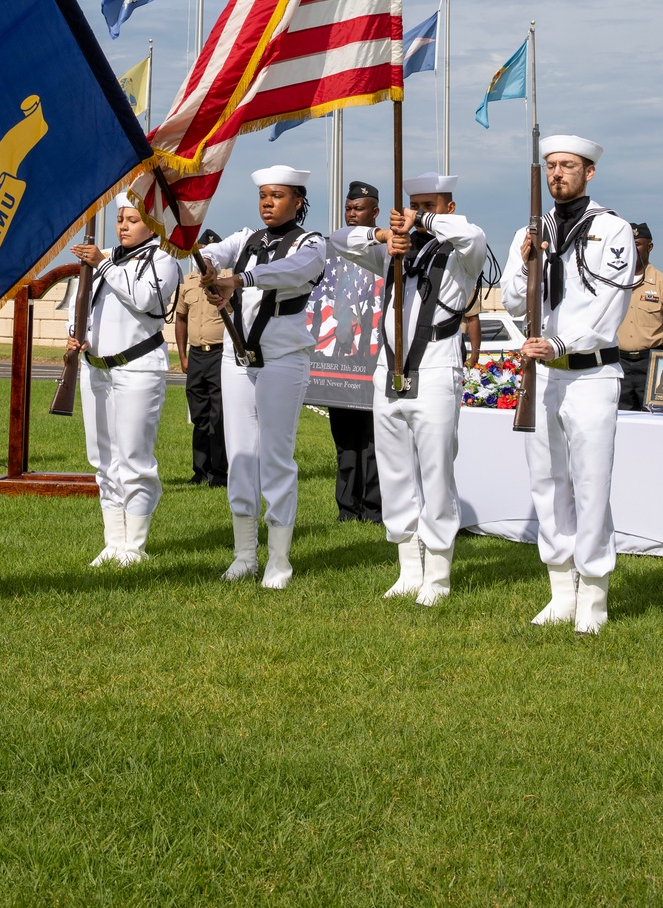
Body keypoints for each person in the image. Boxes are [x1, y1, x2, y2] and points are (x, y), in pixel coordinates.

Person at [330, 172, 487, 606]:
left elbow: (472, 234)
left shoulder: (462, 255)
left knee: (436, 470)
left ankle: (437, 572)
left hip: (436, 367)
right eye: (411, 205)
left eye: (429, 205)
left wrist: (422, 221)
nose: (417, 215)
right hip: (390, 368)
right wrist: (386, 234)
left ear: (447, 208)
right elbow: (339, 240)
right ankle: (408, 566)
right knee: (394, 468)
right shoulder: (394, 253)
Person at [501, 136, 635, 634]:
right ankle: (561, 589)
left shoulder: (612, 229)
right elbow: (515, 302)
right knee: (548, 481)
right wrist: (525, 258)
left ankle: (594, 596)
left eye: (568, 166)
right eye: (551, 166)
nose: (558, 173)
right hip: (544, 375)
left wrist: (559, 342)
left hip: (592, 373)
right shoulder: (532, 230)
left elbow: (606, 310)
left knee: (591, 483)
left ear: (589, 172)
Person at [199, 166, 326, 590]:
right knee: (240, 457)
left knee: (275, 456)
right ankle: (244, 554)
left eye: (277, 195)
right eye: (263, 196)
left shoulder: (311, 244)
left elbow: (290, 272)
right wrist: (202, 259)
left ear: (298, 201)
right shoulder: (247, 239)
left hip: (282, 358)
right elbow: (211, 252)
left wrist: (238, 278)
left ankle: (279, 559)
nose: (268, 203)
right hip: (238, 359)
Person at [68, 194, 182, 567]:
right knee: (103, 460)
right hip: (96, 367)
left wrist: (101, 264)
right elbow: (80, 304)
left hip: (137, 368)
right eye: (120, 219)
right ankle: (113, 541)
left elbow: (145, 298)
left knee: (134, 458)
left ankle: (135, 545)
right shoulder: (104, 258)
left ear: (152, 224)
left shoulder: (163, 259)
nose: (122, 226)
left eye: (133, 220)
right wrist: (75, 333)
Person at [327, 180, 383, 525]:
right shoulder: (334, 248)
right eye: (348, 209)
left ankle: (375, 508)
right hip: (341, 357)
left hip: (376, 355)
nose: (351, 214)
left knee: (375, 439)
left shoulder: (386, 248)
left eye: (358, 209)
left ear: (374, 212)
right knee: (346, 439)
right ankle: (348, 508)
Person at [174, 228, 229, 486]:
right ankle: (200, 470)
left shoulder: (227, 280)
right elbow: (181, 319)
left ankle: (219, 473)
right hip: (197, 356)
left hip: (221, 354)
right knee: (199, 415)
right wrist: (183, 356)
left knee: (219, 417)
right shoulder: (188, 282)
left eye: (210, 254)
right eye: (201, 255)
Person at [617, 224, 663, 411]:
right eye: (628, 244)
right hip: (618, 362)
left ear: (649, 247)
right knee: (619, 418)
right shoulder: (612, 283)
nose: (633, 249)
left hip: (653, 363)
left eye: (638, 244)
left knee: (656, 420)